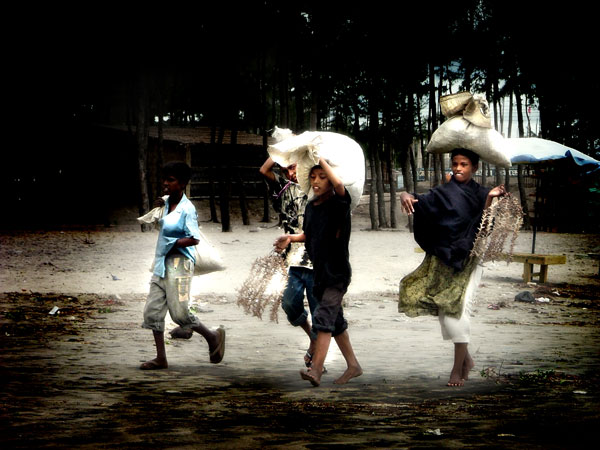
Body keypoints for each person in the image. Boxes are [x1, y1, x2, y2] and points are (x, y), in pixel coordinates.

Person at [399, 148, 506, 386]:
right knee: (441, 307)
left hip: (469, 260)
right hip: (443, 259)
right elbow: (421, 201)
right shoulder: (444, 192)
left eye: (464, 164)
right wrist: (405, 194)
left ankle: (457, 369)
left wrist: (490, 199)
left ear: (475, 168)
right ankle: (467, 359)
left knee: (458, 311)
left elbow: (486, 227)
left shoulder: (483, 193)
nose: (458, 168)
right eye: (455, 163)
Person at [274, 158, 362, 387]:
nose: (316, 181)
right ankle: (353, 366)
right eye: (313, 177)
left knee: (323, 318)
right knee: (337, 322)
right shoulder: (312, 207)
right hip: (320, 273)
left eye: (322, 177)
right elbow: (308, 235)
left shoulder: (340, 203)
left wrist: (320, 158)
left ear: (331, 181)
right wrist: (290, 238)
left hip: (337, 274)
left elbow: (341, 186)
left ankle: (316, 369)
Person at [140, 161, 225, 370]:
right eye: (165, 179)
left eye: (171, 180)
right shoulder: (166, 203)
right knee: (153, 311)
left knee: (179, 314)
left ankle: (212, 336)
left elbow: (194, 238)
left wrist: (173, 243)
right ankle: (161, 358)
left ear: (183, 183)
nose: (165, 183)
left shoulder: (188, 209)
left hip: (179, 263)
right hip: (161, 262)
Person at [260, 156, 320, 368]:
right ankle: (313, 336)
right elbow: (264, 170)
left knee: (318, 308)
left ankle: (317, 361)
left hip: (317, 259)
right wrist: (282, 150)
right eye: (286, 170)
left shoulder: (316, 187)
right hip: (292, 258)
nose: (290, 174)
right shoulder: (284, 190)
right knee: (289, 303)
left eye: (293, 168)